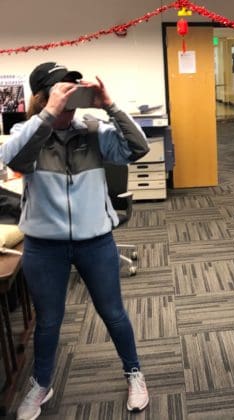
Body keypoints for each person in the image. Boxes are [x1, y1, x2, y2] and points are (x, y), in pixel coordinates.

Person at [0, 62, 151, 419]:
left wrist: (110, 106)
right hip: (43, 245)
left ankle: (134, 372)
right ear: (43, 95)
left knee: (113, 313)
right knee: (49, 320)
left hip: (95, 241)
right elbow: (9, 160)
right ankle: (41, 384)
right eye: (59, 88)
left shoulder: (95, 131)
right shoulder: (29, 133)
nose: (69, 93)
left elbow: (138, 148)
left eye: (72, 86)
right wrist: (48, 115)